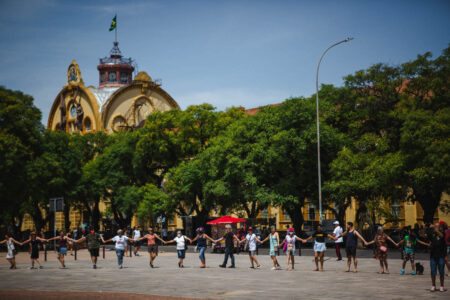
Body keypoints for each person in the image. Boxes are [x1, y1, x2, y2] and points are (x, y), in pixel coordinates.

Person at [423, 222, 447, 292]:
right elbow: (424, 235)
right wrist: (425, 228)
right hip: (433, 256)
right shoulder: (432, 234)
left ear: (440, 227)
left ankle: (441, 286)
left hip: (441, 256)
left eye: (437, 226)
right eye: (435, 226)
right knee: (433, 271)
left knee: (441, 272)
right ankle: (433, 285)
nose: (435, 227)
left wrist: (435, 229)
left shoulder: (442, 233)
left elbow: (442, 236)